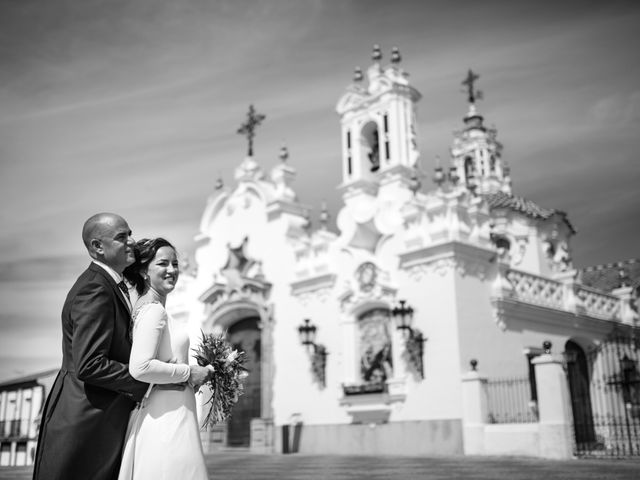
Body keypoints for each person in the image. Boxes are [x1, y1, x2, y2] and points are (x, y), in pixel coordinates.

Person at [33, 213, 151, 480]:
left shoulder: (108, 284)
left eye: (130, 233)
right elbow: (90, 364)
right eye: (122, 237)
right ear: (97, 247)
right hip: (86, 423)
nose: (131, 241)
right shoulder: (95, 289)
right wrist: (149, 382)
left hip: (98, 418)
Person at [118, 237, 211, 480]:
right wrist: (190, 373)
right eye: (162, 264)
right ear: (143, 271)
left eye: (175, 263)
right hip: (167, 416)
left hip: (171, 408)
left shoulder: (150, 308)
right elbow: (140, 367)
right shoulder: (154, 311)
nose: (172, 270)